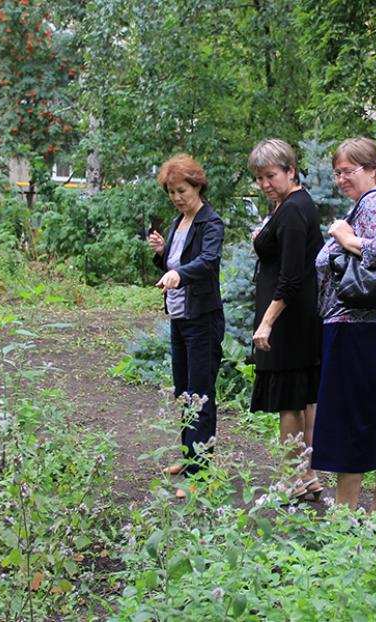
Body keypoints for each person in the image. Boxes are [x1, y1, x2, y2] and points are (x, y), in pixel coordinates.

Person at [311, 137, 376, 511]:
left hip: (363, 330)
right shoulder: (369, 204)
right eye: (337, 172)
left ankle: (345, 514)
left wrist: (348, 239)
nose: (341, 179)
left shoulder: (373, 203)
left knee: (350, 417)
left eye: (348, 171)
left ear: (372, 169)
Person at [247, 139, 324, 500]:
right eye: (259, 177)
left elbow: (292, 276)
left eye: (271, 176)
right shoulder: (292, 205)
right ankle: (307, 476)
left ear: (290, 171)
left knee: (290, 402)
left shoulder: (293, 210)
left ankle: (293, 480)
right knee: (303, 397)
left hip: (289, 321)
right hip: (298, 318)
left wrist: (267, 321)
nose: (264, 184)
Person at [147, 154, 225, 498]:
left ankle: (200, 473)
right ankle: (189, 457)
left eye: (182, 190)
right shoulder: (181, 222)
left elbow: (206, 263)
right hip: (180, 317)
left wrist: (178, 272)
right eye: (171, 193)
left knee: (201, 394)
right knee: (185, 389)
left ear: (197, 185)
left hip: (202, 319)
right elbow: (175, 265)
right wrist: (163, 254)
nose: (177, 197)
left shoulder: (210, 222)